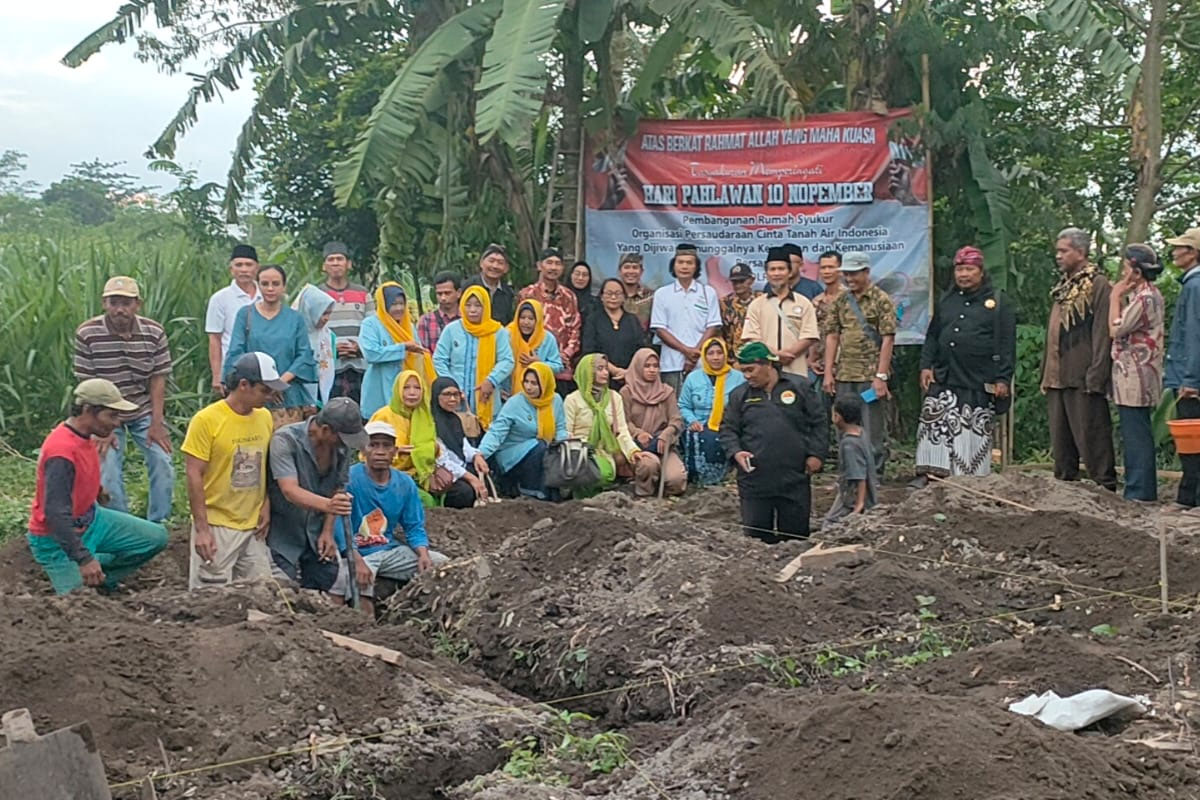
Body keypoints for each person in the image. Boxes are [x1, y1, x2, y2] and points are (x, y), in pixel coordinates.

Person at [26, 379, 168, 594]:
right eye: (111, 415)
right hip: (56, 540)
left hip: (92, 520)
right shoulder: (61, 451)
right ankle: (86, 569)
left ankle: (100, 575)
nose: (117, 423)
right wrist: (84, 559)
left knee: (156, 538)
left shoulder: (86, 436)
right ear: (87, 410)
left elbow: (79, 475)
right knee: (77, 598)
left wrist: (97, 491)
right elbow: (55, 513)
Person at [74, 275, 175, 523]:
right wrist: (100, 428)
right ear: (104, 303)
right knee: (107, 470)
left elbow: (158, 379)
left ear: (137, 304)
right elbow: (86, 385)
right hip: (103, 411)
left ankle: (158, 524)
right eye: (114, 302)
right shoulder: (88, 333)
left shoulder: (153, 332)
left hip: (141, 408)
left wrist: (157, 423)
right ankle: (123, 526)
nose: (120, 309)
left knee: (163, 462)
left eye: (126, 303)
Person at [913, 246, 1016, 482]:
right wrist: (926, 365)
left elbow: (1006, 344)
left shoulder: (998, 302)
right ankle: (930, 474)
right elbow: (933, 335)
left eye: (969, 269)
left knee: (971, 430)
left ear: (981, 272)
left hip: (978, 379)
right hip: (944, 375)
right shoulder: (947, 299)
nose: (963, 275)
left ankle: (969, 479)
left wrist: (1003, 378)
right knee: (934, 423)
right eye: (959, 269)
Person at [182, 353, 283, 590]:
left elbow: (263, 465)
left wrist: (265, 502)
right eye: (265, 390)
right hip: (218, 525)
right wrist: (202, 530)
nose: (270, 397)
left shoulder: (265, 417)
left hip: (252, 527)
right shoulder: (206, 420)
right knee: (210, 601)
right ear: (243, 385)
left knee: (262, 595)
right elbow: (193, 474)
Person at [328, 420, 450, 614]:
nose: (380, 451)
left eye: (386, 446)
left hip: (389, 550)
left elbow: (413, 526)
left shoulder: (405, 483)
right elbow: (340, 529)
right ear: (363, 450)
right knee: (352, 579)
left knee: (443, 565)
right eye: (373, 445)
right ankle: (364, 628)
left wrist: (423, 554)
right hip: (359, 551)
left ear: (395, 451)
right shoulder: (349, 479)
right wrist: (357, 560)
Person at [720, 342, 827, 543]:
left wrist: (816, 454)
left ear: (768, 365)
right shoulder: (739, 395)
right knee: (756, 539)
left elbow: (819, 422)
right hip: (755, 479)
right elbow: (728, 430)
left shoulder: (799, 386)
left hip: (794, 476)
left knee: (795, 537)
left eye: (751, 370)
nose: (747, 376)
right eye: (743, 371)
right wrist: (735, 452)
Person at [1039, 227, 1117, 491]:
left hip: (1082, 374)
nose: (1058, 256)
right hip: (1056, 374)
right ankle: (1065, 490)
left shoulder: (1098, 284)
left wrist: (1097, 374)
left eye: (1064, 251)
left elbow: (1102, 334)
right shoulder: (1063, 287)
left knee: (1092, 436)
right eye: (1057, 251)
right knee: (1061, 441)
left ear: (1081, 252)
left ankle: (1105, 488)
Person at [266, 397, 367, 590]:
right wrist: (329, 505)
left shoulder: (340, 448)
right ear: (326, 430)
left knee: (326, 584)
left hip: (316, 533)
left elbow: (338, 488)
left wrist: (328, 531)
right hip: (284, 533)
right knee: (284, 592)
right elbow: (289, 490)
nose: (345, 444)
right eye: (342, 437)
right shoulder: (285, 440)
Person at [822, 251, 896, 482]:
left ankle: (874, 474)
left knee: (872, 427)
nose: (850, 278)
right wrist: (828, 372)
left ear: (866, 272)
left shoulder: (881, 300)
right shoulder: (841, 301)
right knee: (843, 423)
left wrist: (881, 376)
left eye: (854, 273)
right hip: (845, 374)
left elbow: (887, 338)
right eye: (847, 274)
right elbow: (832, 336)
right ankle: (848, 472)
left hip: (870, 375)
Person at [368, 370, 479, 509]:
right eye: (406, 387)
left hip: (423, 474)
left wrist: (433, 449)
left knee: (461, 493)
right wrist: (394, 451)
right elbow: (365, 450)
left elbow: (438, 452)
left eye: (417, 388)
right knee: (425, 502)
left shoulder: (425, 416)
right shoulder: (384, 416)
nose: (412, 392)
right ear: (397, 389)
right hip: (388, 474)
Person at [224, 264, 317, 427]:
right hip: (251, 395)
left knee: (284, 448)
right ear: (258, 285)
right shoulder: (245, 315)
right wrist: (264, 386)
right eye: (265, 284)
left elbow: (304, 356)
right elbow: (236, 352)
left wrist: (279, 383)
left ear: (284, 286)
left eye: (276, 284)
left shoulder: (295, 319)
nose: (270, 289)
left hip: (288, 398)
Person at [1108, 244, 1165, 502]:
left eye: (1126, 267)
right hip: (1133, 372)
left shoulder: (1145, 298)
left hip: (1136, 373)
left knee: (1136, 432)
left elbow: (1115, 329)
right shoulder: (1146, 295)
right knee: (1134, 430)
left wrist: (1114, 296)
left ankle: (1139, 491)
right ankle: (1138, 488)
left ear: (1136, 272)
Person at [477, 363, 567, 500]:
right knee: (540, 447)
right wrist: (480, 454)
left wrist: (564, 447)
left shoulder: (555, 400)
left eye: (534, 383)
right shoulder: (515, 403)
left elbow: (560, 427)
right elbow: (497, 432)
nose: (529, 387)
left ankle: (549, 495)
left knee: (551, 452)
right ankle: (530, 492)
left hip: (544, 451)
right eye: (526, 382)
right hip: (511, 455)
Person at [433, 286, 515, 429]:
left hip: (486, 396)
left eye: (478, 305)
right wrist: (451, 385)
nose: (472, 310)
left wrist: (491, 380)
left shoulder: (497, 331)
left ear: (486, 307)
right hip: (456, 397)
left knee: (487, 438)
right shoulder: (452, 330)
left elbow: (507, 360)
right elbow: (439, 359)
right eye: (468, 305)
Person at [650, 243, 722, 392]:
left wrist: (694, 353)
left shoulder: (708, 293)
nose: (684, 266)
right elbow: (660, 329)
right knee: (673, 409)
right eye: (680, 262)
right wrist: (686, 351)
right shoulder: (662, 294)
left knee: (704, 405)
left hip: (703, 362)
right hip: (671, 363)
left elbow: (713, 326)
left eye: (689, 263)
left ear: (696, 267)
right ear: (673, 266)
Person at [564, 353, 644, 489]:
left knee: (604, 473)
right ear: (588, 372)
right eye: (599, 369)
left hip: (605, 451)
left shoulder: (614, 397)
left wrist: (633, 451)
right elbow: (567, 433)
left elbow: (622, 431)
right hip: (580, 452)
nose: (605, 373)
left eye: (606, 369)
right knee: (594, 473)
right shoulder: (573, 399)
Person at [741, 246, 820, 381]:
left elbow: (809, 335)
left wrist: (788, 354)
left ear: (789, 272)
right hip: (765, 373)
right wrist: (776, 354)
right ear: (766, 273)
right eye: (772, 269)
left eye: (781, 269)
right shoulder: (756, 305)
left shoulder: (804, 303)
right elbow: (752, 337)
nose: (776, 273)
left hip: (795, 371)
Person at [358, 281, 433, 419]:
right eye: (393, 304)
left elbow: (417, 355)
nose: (399, 308)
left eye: (401, 303)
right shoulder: (371, 324)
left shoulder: (408, 326)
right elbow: (371, 353)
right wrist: (403, 348)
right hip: (379, 389)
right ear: (383, 304)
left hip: (407, 392)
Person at [620, 348, 688, 497]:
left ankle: (663, 491)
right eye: (647, 366)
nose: (652, 370)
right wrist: (638, 433)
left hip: (663, 444)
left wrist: (666, 434)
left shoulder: (667, 392)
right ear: (638, 367)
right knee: (648, 465)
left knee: (677, 479)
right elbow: (623, 421)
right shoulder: (627, 392)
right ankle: (644, 494)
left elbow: (676, 419)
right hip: (638, 447)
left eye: (655, 366)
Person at [679, 338, 746, 486]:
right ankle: (699, 479)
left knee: (721, 437)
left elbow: (743, 406)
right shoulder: (693, 378)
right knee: (700, 437)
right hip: (699, 425)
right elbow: (683, 405)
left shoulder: (738, 378)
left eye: (719, 353)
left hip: (728, 425)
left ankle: (726, 476)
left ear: (725, 355)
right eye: (710, 353)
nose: (715, 357)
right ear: (704, 356)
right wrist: (692, 421)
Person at [1165, 227, 1200, 510]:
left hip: (1192, 380)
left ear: (1193, 253)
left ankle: (1190, 499)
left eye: (1180, 247)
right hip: (1191, 375)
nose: (1174, 251)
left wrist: (1191, 379)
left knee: (1192, 442)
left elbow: (1194, 336)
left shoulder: (1195, 286)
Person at [518, 248, 581, 390]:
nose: (553, 267)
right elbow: (520, 327)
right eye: (549, 263)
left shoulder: (569, 296)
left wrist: (564, 354)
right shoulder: (527, 294)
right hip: (531, 364)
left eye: (558, 264)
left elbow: (575, 329)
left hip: (561, 367)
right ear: (540, 266)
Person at [319, 242, 373, 402]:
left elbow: (372, 329)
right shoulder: (316, 295)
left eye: (340, 259)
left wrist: (359, 348)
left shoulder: (363, 293)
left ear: (348, 264)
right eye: (331, 259)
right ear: (324, 266)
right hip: (329, 369)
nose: (335, 263)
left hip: (359, 367)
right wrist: (331, 350)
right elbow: (309, 331)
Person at [205, 243, 261, 395]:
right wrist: (217, 376)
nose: (244, 269)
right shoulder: (220, 299)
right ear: (231, 269)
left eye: (248, 265)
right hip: (233, 369)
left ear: (256, 268)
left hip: (263, 367)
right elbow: (215, 339)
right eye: (239, 265)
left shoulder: (267, 295)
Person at [431, 376, 492, 500]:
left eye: (456, 394)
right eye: (447, 394)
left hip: (459, 467)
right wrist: (470, 477)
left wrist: (477, 456)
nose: (452, 399)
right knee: (465, 493)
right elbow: (442, 460)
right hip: (442, 472)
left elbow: (464, 446)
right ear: (436, 396)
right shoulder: (431, 422)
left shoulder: (454, 419)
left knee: (485, 474)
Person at [581, 278, 647, 390]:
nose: (613, 297)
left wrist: (628, 372)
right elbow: (589, 351)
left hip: (630, 380)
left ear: (624, 297)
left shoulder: (632, 320)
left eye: (617, 294)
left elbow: (641, 349)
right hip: (600, 379)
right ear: (601, 296)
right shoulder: (593, 320)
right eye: (609, 293)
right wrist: (614, 370)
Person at [824, 395, 877, 527]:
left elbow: (859, 476)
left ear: (838, 417)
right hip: (864, 492)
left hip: (850, 497)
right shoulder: (862, 433)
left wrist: (859, 505)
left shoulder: (849, 445)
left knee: (830, 523)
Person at [292, 284, 337, 409]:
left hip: (322, 397)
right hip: (295, 396)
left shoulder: (328, 337)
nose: (326, 319)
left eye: (329, 313)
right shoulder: (291, 334)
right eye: (323, 314)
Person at [507, 299, 564, 394]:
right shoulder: (507, 335)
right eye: (522, 317)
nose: (526, 322)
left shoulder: (547, 339)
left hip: (539, 392)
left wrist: (539, 363)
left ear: (538, 320)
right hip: (508, 392)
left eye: (531, 318)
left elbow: (558, 366)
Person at [808, 250, 845, 396]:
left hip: (846, 367)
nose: (827, 271)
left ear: (841, 270)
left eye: (831, 267)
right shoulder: (816, 302)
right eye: (823, 268)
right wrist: (811, 360)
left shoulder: (849, 299)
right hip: (820, 367)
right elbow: (812, 333)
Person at [464, 243, 516, 325]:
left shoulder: (508, 292)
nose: (495, 266)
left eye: (500, 263)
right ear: (481, 263)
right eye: (491, 261)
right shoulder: (468, 286)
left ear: (506, 268)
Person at [718, 262, 761, 357]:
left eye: (741, 281)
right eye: (734, 282)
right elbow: (720, 331)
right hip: (732, 357)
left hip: (758, 354)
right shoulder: (724, 303)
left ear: (751, 280)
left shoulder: (762, 300)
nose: (737, 285)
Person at [417, 272, 462, 353]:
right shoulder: (426, 320)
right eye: (439, 294)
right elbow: (423, 353)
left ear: (458, 293)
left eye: (447, 293)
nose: (443, 298)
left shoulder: (468, 318)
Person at [618, 252, 654, 330]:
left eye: (635, 267)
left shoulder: (651, 297)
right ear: (619, 271)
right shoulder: (611, 296)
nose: (631, 271)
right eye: (627, 267)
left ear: (641, 272)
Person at [568, 260, 599, 326]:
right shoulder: (560, 298)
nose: (580, 278)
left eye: (585, 275)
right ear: (571, 275)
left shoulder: (595, 303)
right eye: (577, 274)